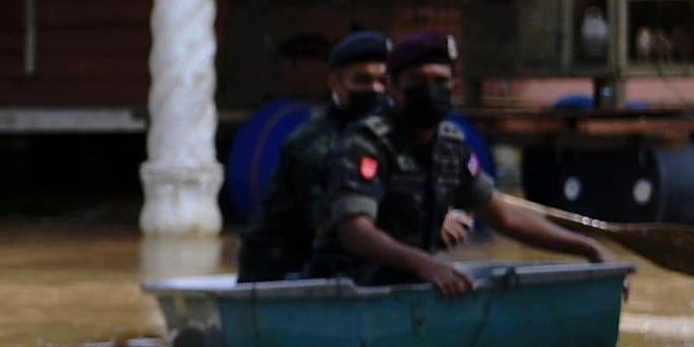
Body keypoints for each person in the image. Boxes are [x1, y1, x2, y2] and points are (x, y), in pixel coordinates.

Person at [322, 29, 603, 295]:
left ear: (453, 86)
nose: (430, 90)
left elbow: (505, 217)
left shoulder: (451, 146)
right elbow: (355, 232)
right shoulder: (366, 143)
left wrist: (587, 247)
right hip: (351, 291)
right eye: (418, 81)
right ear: (393, 87)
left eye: (440, 81)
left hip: (413, 290)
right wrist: (425, 264)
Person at [235, 28, 396, 284]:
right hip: (280, 272)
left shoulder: (387, 135)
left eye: (383, 81)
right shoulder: (316, 145)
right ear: (336, 84)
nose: (375, 90)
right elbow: (336, 229)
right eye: (362, 80)